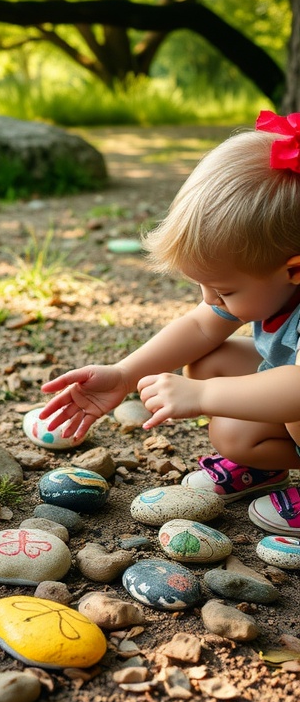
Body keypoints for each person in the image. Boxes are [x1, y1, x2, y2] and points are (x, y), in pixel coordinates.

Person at [39, 110, 300, 537]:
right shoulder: (265, 282)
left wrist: (202, 395)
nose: (209, 299)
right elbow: (200, 328)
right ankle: (261, 467)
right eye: (202, 284)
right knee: (207, 360)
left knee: (291, 407)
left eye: (225, 291)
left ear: (294, 271)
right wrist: (125, 375)